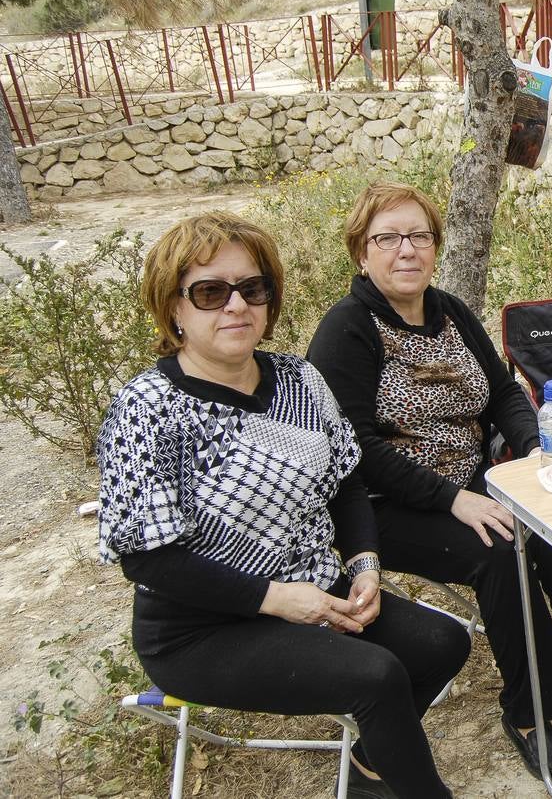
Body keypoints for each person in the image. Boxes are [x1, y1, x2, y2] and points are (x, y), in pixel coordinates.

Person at [97, 212, 467, 799]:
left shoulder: (297, 379)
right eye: (211, 292)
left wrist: (365, 563)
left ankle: (372, 766)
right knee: (377, 677)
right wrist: (279, 600)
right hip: (203, 628)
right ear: (173, 308)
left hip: (316, 590)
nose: (236, 306)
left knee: (445, 642)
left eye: (253, 288)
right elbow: (150, 560)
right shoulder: (148, 409)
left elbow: (345, 480)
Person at [307, 182, 552, 786]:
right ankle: (529, 711)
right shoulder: (348, 329)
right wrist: (453, 500)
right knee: (499, 551)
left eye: (418, 236)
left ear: (435, 246)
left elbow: (500, 391)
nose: (405, 250)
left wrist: (529, 450)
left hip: (472, 480)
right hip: (384, 504)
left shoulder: (448, 310)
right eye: (386, 239)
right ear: (361, 254)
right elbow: (353, 448)